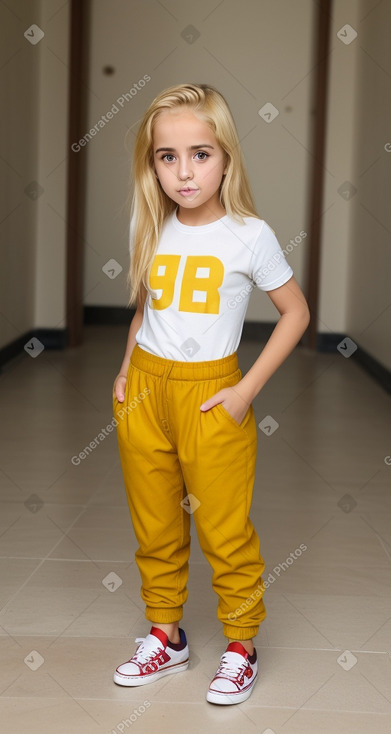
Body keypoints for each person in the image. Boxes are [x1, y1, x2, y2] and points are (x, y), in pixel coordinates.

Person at [112, 82, 310, 705]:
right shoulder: (153, 223)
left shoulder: (249, 234)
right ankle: (165, 638)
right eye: (167, 157)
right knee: (156, 522)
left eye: (200, 153)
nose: (184, 171)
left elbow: (296, 312)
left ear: (226, 155)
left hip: (212, 397)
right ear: (153, 164)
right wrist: (124, 372)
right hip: (146, 390)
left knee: (225, 529)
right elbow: (147, 307)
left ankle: (241, 645)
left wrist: (245, 391)